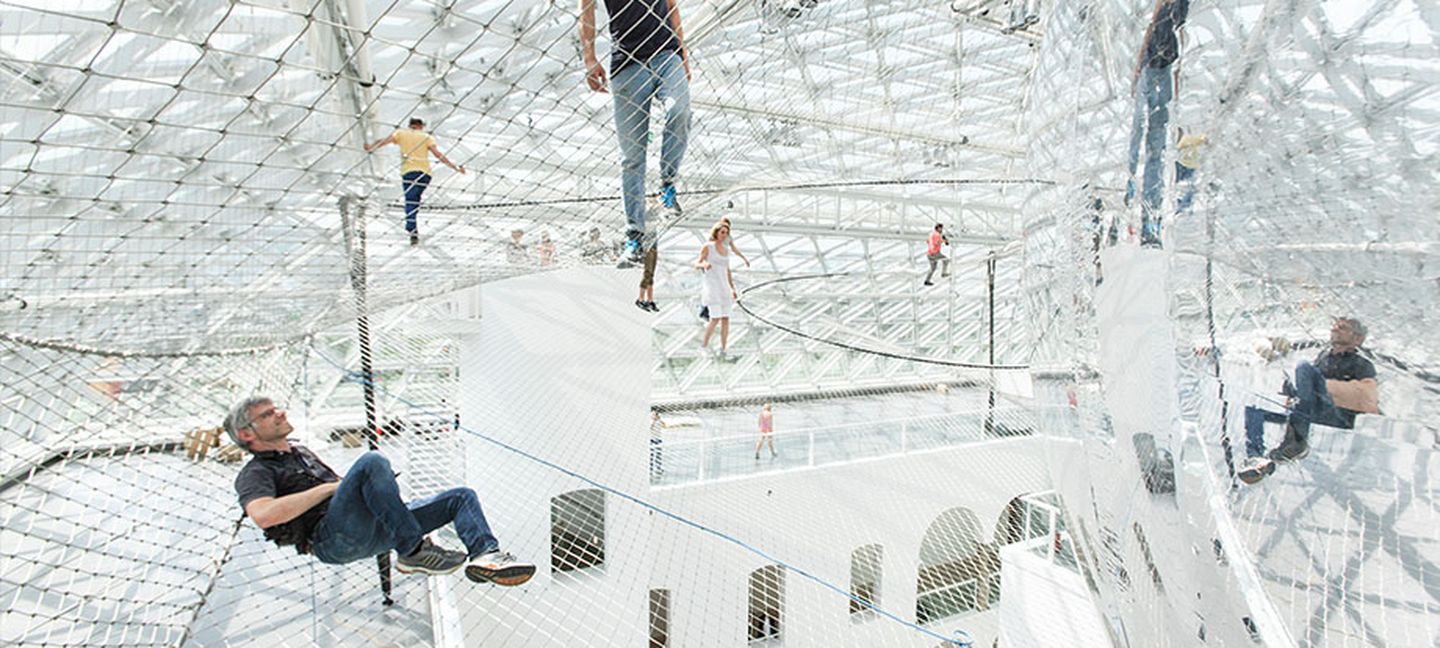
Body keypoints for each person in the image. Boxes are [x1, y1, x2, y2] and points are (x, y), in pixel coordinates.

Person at [223, 396, 535, 585]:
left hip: (375, 529)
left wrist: (363, 489)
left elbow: (343, 492)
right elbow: (263, 515)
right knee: (372, 459)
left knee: (460, 498)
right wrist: (332, 489)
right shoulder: (256, 473)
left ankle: (486, 555)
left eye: (276, 409)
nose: (280, 413)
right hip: (331, 539)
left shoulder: (300, 451)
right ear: (246, 433)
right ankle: (413, 551)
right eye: (267, 414)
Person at [579, 0, 693, 266]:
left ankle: (667, 185)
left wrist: (683, 53)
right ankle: (634, 237)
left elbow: (672, 6)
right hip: (627, 64)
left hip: (667, 54)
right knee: (631, 157)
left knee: (680, 113)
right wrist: (589, 58)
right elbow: (586, 12)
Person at [1238, 318, 1379, 484]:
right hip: (1308, 412)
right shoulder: (1324, 357)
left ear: (1358, 339)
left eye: (1342, 328)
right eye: (1334, 326)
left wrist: (1320, 389)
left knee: (1303, 366)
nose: (1334, 329)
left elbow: (1365, 396)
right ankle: (1257, 458)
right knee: (1254, 411)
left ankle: (1297, 440)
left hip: (1338, 414)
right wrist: (1293, 393)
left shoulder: (1362, 364)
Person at [1124, 0, 1190, 248]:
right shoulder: (1163, 5)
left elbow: (1183, 41)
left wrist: (1177, 93)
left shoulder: (1183, 5)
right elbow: (1151, 29)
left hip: (1164, 71)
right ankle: (1130, 185)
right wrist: (1137, 70)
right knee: (1139, 133)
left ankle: (1151, 222)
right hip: (1151, 69)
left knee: (1155, 145)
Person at [364, 118, 466, 246]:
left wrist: (370, 147)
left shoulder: (401, 133)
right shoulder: (426, 137)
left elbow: (385, 141)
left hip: (409, 172)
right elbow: (438, 154)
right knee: (414, 199)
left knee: (410, 200)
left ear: (410, 125)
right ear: (421, 126)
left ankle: (412, 228)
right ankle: (412, 225)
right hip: (425, 174)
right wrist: (455, 167)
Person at [696, 221, 738, 360]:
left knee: (726, 319)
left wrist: (732, 288)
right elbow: (697, 263)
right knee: (715, 318)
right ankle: (703, 346)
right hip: (712, 287)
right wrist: (704, 264)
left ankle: (723, 348)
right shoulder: (708, 247)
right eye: (722, 232)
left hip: (724, 287)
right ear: (716, 232)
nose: (724, 235)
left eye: (726, 233)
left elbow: (728, 271)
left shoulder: (726, 250)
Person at [1174, 128, 1207, 215]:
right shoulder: (1187, 140)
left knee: (1181, 185)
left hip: (1182, 165)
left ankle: (1180, 206)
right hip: (1188, 165)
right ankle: (1183, 207)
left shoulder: (1185, 141)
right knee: (1188, 186)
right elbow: (1200, 140)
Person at [637, 243, 660, 312]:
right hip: (647, 248)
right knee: (647, 274)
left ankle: (650, 301)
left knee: (651, 275)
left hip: (654, 248)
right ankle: (640, 300)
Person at [649, 409, 665, 479]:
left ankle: (658, 469)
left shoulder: (659, 421)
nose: (654, 416)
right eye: (652, 415)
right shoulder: (650, 421)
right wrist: (653, 422)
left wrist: (660, 420)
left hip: (658, 440)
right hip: (652, 440)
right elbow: (650, 428)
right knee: (651, 456)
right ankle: (650, 470)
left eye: (655, 414)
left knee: (658, 456)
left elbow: (664, 425)